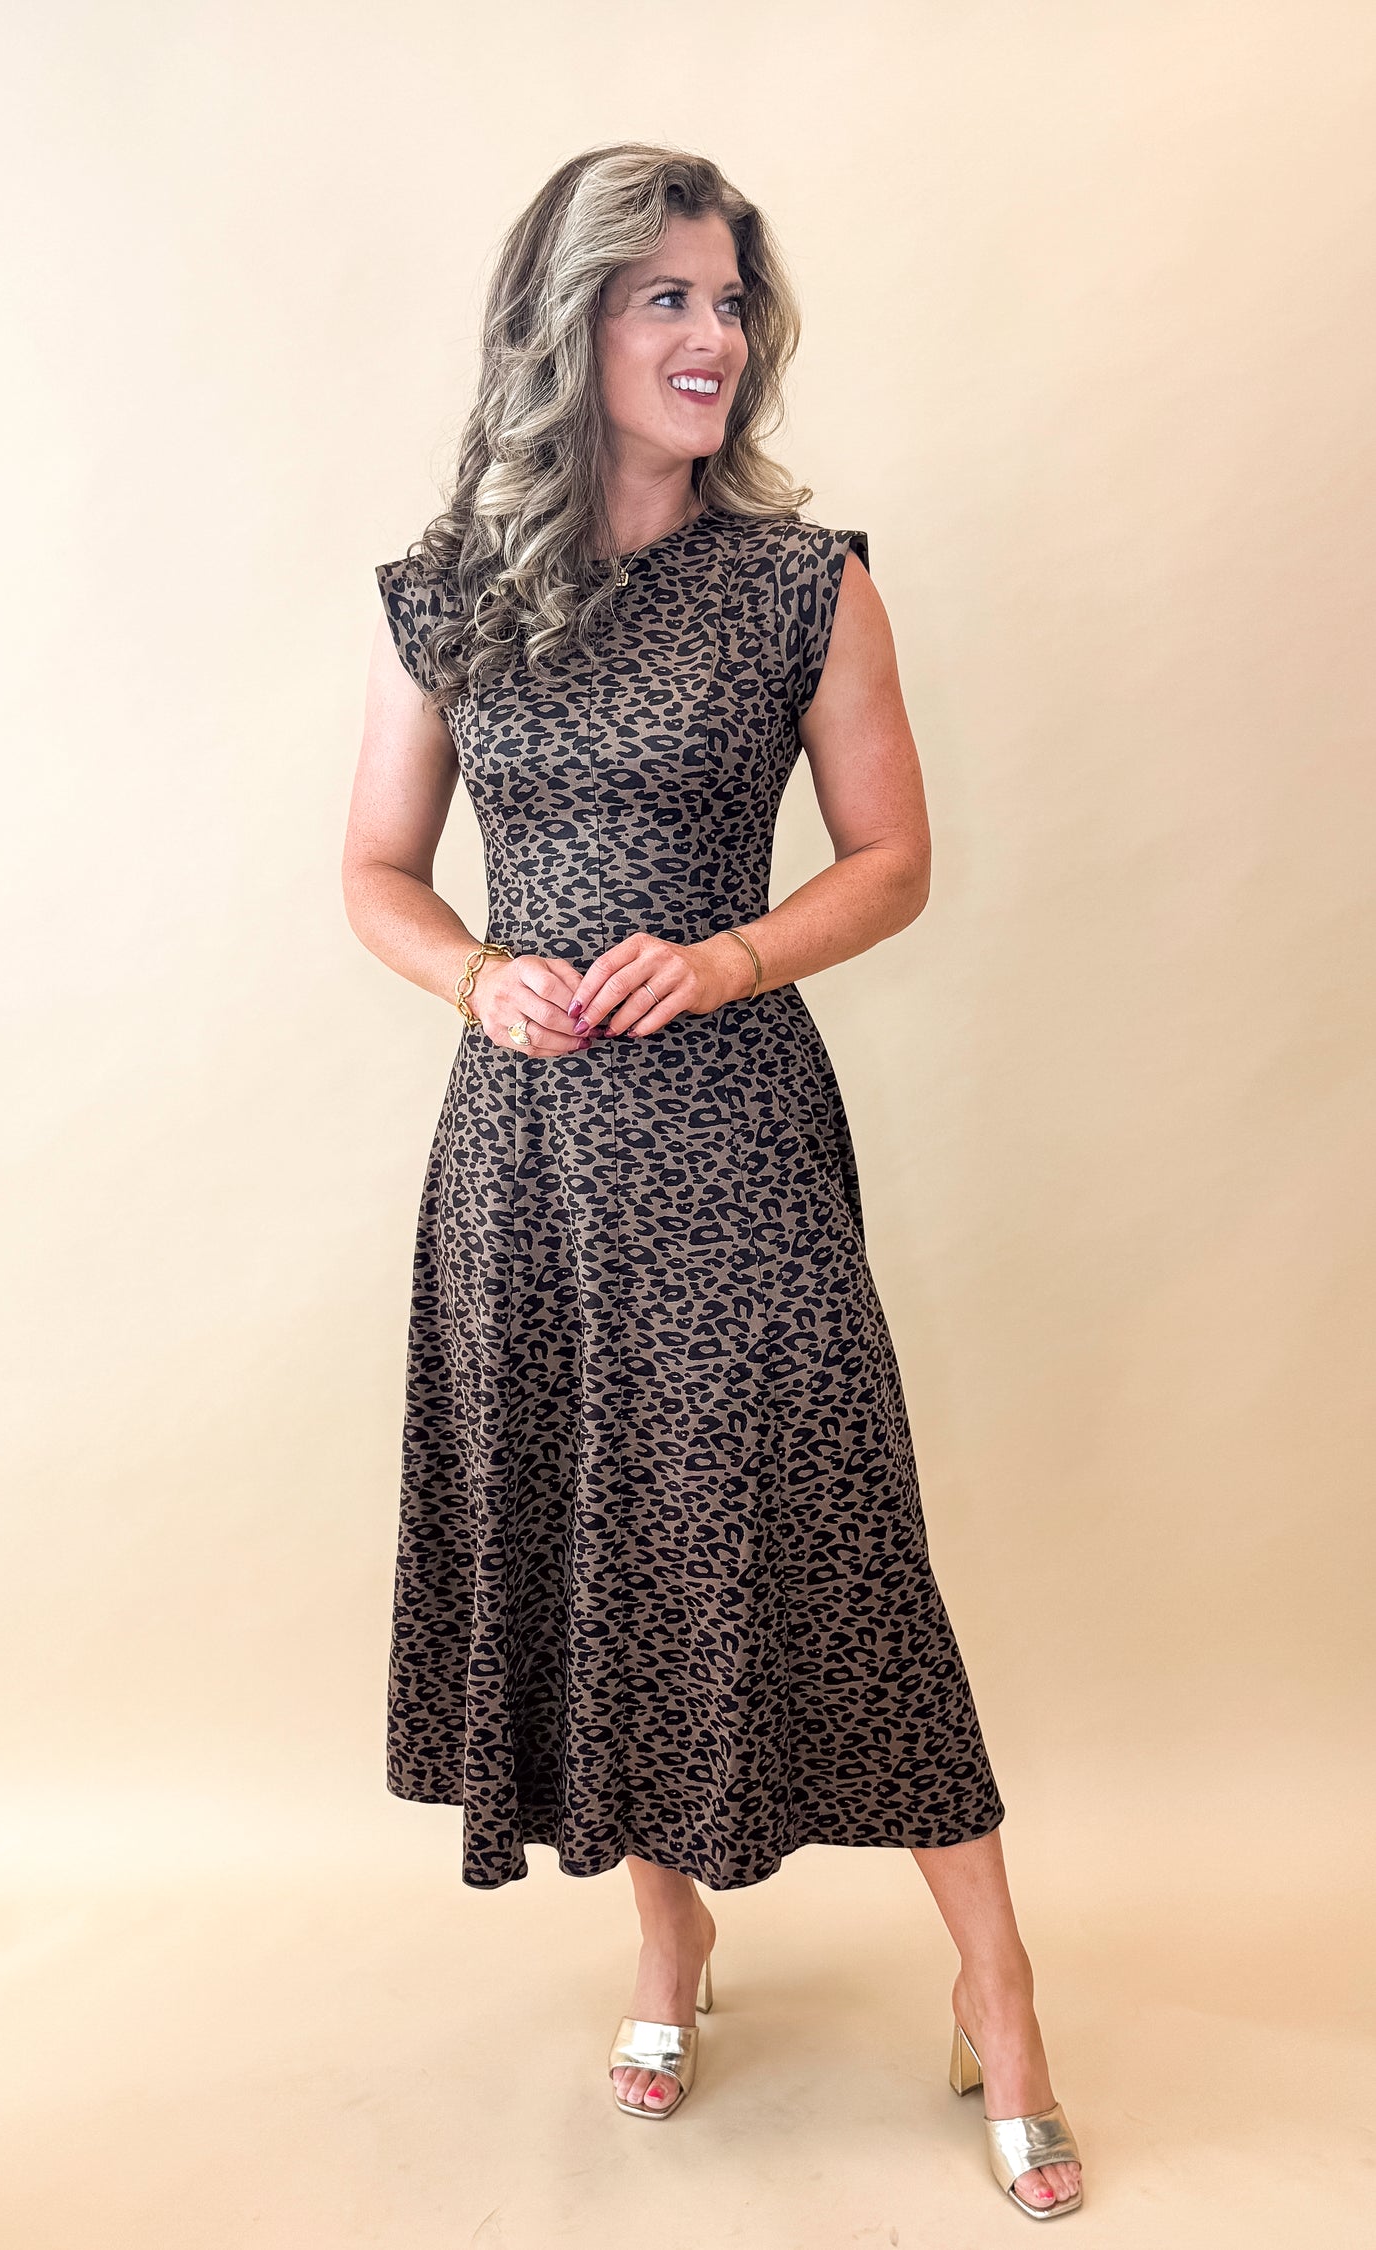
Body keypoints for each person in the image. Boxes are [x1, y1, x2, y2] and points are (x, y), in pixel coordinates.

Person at [343, 143, 1084, 2221]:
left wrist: (736, 951)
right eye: (664, 297)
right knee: (602, 1547)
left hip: (742, 1135)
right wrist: (481, 976)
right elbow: (375, 875)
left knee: (837, 1525)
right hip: (531, 1157)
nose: (710, 337)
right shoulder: (447, 592)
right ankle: (668, 1937)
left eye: (729, 301)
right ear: (563, 327)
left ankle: (1002, 1988)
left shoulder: (803, 581)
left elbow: (895, 857)